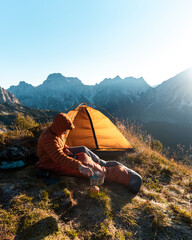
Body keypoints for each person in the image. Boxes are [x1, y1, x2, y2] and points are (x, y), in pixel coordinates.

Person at [36, 113, 142, 194]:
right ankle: (128, 178)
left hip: (61, 156)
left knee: (83, 149)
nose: (64, 133)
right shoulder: (48, 139)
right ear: (59, 128)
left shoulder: (57, 132)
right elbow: (59, 158)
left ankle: (103, 163)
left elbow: (61, 145)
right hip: (51, 163)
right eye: (64, 130)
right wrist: (81, 167)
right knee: (87, 164)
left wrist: (66, 149)